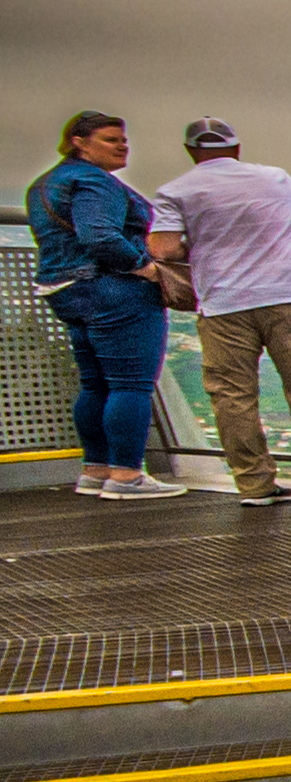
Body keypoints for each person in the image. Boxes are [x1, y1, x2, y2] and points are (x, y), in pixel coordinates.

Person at [148, 118, 291, 508]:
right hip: (289, 295)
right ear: (236, 148)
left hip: (224, 302)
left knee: (233, 396)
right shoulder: (274, 177)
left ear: (191, 152)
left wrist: (197, 245)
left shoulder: (175, 191)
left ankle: (255, 485)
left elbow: (162, 249)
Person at [21, 111, 182, 498]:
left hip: (66, 290)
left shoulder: (44, 183)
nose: (122, 145)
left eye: (123, 139)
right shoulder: (94, 180)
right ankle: (127, 475)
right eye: (111, 139)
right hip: (113, 290)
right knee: (131, 385)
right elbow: (100, 237)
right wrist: (145, 267)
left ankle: (95, 469)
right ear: (79, 141)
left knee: (94, 383)